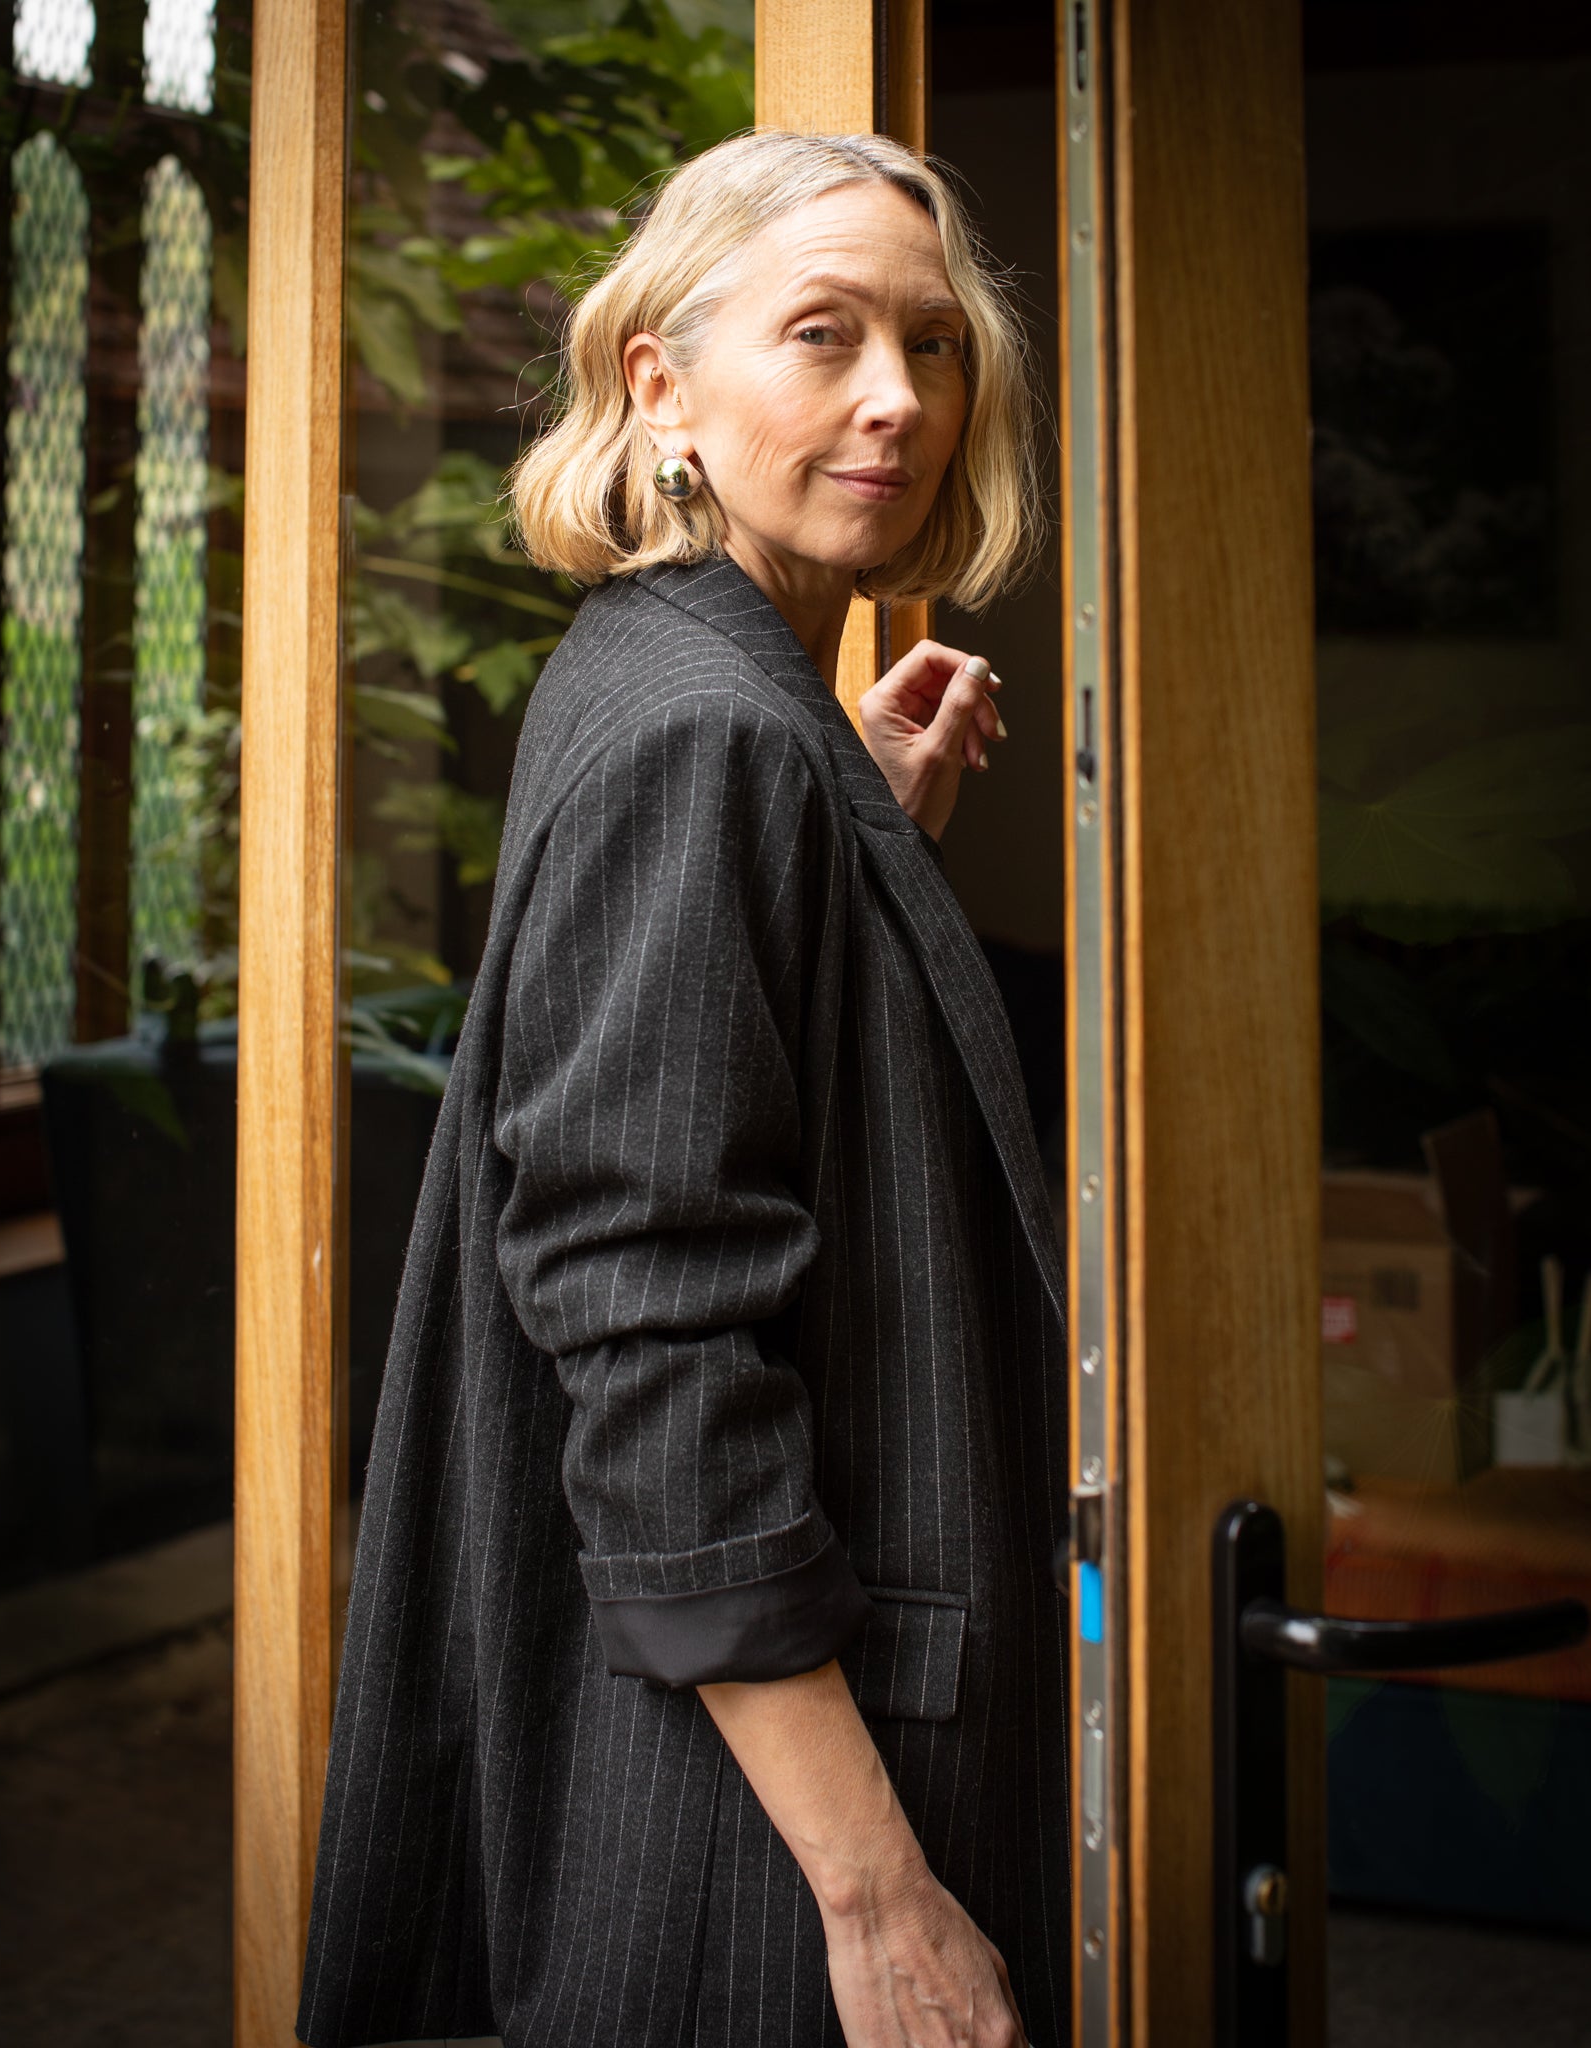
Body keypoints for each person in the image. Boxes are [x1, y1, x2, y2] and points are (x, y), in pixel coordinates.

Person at [296, 128, 1069, 2048]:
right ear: (662, 386)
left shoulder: (675, 680)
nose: (900, 397)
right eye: (823, 334)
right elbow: (653, 1337)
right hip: (769, 1825)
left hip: (736, 1767)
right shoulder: (708, 734)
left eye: (933, 342)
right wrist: (875, 1893)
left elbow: (711, 1079)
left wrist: (854, 843)